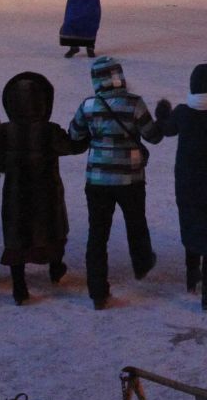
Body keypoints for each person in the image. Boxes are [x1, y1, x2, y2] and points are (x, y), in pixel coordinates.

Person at [0, 72, 86, 306]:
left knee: (16, 237)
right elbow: (72, 147)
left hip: (16, 194)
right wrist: (85, 134)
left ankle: (19, 286)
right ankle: (55, 268)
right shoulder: (49, 130)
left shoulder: (3, 132)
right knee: (53, 230)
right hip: (47, 193)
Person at [68, 55, 161, 309]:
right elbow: (153, 136)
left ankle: (97, 290)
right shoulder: (135, 104)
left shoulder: (88, 106)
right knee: (136, 221)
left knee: (97, 234)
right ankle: (141, 262)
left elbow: (74, 133)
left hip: (97, 179)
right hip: (131, 177)